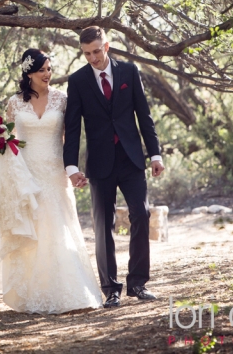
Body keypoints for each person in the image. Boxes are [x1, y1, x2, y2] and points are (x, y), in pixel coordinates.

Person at [0, 49, 103, 314]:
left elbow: (71, 137)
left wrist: (72, 169)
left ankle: (69, 292)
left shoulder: (62, 99)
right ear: (29, 74)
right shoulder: (14, 103)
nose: (47, 74)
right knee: (32, 230)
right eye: (41, 70)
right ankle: (32, 294)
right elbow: (7, 136)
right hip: (26, 174)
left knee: (57, 227)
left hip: (54, 172)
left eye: (49, 69)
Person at [63, 26, 165, 308]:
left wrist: (155, 155)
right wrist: (71, 167)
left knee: (141, 214)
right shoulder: (78, 81)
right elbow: (73, 127)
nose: (93, 58)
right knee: (102, 225)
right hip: (99, 162)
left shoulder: (129, 72)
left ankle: (138, 283)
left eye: (96, 51)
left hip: (131, 158)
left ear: (106, 46)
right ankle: (110, 289)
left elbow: (144, 115)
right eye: (87, 54)